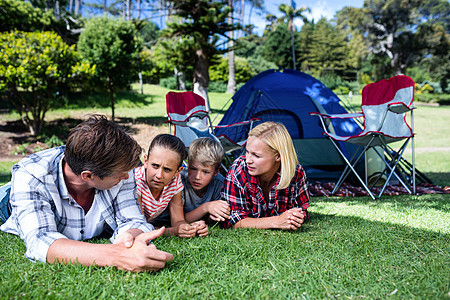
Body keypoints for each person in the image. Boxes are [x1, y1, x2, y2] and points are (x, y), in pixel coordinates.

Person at [0, 115, 173, 272]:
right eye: (120, 174)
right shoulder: (31, 176)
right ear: (88, 176)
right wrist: (116, 255)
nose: (127, 177)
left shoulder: (120, 170)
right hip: (10, 201)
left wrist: (127, 238)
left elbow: (133, 220)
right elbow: (40, 242)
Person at [221, 121, 310, 230]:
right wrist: (276, 221)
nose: (248, 160)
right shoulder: (239, 170)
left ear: (278, 156)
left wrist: (295, 217)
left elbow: (301, 211)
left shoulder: (296, 173)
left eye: (256, 155)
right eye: (247, 152)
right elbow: (232, 220)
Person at [135, 134, 208, 238]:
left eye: (167, 170)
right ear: (146, 161)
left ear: (177, 171)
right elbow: (139, 228)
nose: (159, 175)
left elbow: (178, 220)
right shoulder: (135, 182)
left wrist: (190, 228)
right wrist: (173, 231)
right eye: (155, 166)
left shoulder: (174, 181)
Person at [156, 137, 229, 224]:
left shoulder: (219, 184)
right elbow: (178, 220)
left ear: (216, 171)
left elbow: (213, 218)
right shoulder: (179, 181)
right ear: (188, 163)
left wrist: (213, 216)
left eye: (205, 172)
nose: (197, 177)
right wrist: (206, 207)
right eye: (193, 168)